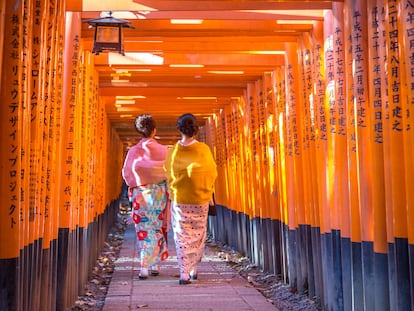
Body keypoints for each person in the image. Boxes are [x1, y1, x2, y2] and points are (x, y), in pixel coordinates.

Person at [164, 113, 217, 285]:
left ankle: (184, 273)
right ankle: (194, 268)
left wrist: (173, 191)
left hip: (180, 198)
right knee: (198, 234)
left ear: (179, 129)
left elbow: (169, 173)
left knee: (182, 235)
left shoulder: (173, 151)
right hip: (200, 197)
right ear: (196, 129)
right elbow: (211, 172)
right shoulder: (204, 150)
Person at [122, 114, 169, 279]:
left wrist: (135, 185)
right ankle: (154, 265)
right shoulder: (164, 150)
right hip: (159, 194)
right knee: (156, 228)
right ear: (154, 130)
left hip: (141, 194)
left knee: (143, 230)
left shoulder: (134, 151)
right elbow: (169, 171)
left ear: (139, 131)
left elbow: (127, 173)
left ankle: (144, 267)